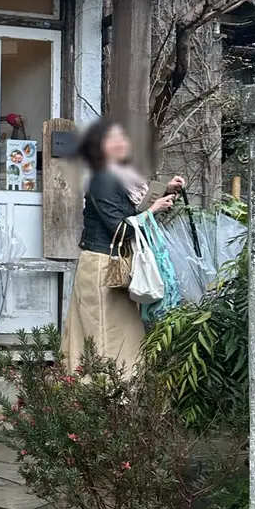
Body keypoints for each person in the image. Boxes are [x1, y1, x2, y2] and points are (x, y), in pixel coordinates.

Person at [61, 118, 183, 374]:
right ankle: (104, 396)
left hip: (114, 264)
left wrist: (165, 191)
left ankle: (111, 396)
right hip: (101, 266)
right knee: (105, 334)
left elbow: (136, 205)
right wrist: (152, 210)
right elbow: (119, 227)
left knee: (117, 335)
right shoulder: (102, 178)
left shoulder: (122, 176)